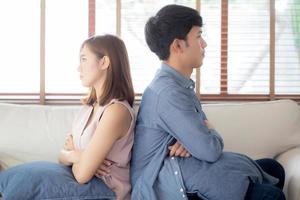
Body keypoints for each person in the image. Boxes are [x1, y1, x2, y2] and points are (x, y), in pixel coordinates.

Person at [130, 4, 285, 200]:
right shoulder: (167, 93)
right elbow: (209, 149)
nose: (204, 44)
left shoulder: (178, 85)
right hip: (166, 182)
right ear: (177, 45)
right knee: (271, 195)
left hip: (184, 165)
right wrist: (208, 132)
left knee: (273, 168)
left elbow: (199, 141)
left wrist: (193, 140)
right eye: (198, 36)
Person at [0, 35, 135, 200]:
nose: (79, 68)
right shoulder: (88, 109)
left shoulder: (116, 112)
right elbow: (62, 157)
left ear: (104, 62)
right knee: (19, 180)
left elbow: (82, 175)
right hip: (86, 182)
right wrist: (78, 156)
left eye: (84, 59)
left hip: (106, 190)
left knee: (22, 187)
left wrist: (77, 156)